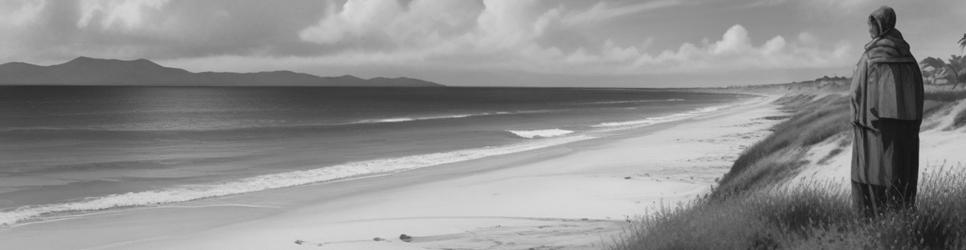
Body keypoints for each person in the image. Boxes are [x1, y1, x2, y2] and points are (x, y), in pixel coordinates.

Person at [849, 6, 924, 218]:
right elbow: (918, 91)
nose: (869, 29)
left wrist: (857, 118)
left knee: (873, 173)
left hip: (874, 128)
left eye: (871, 24)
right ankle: (903, 217)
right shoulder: (908, 56)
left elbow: (855, 93)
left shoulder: (870, 57)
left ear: (881, 25)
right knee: (901, 172)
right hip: (907, 129)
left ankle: (871, 219)